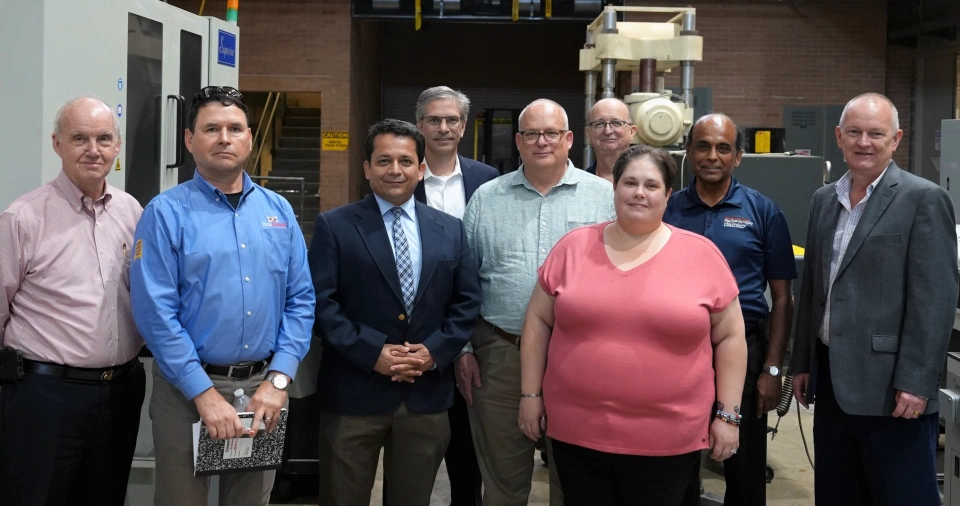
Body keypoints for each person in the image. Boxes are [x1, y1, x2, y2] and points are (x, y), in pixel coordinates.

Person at [518, 144, 748, 506]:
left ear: (669, 194)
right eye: (630, 182)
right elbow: (537, 320)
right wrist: (530, 395)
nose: (639, 192)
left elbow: (732, 337)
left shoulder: (701, 255)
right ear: (614, 188)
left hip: (669, 439)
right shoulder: (572, 248)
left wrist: (728, 415)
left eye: (652, 185)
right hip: (578, 434)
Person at [130, 86, 316, 506]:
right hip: (186, 390)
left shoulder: (278, 211)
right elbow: (155, 313)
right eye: (211, 128)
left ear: (250, 137)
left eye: (235, 128)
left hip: (262, 391)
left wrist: (278, 379)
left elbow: (301, 299)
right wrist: (203, 394)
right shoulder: (164, 213)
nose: (224, 138)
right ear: (189, 140)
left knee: (251, 501)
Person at [791, 93, 957, 505]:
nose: (864, 142)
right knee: (837, 493)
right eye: (854, 132)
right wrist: (802, 363)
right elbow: (812, 287)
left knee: (901, 496)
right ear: (839, 137)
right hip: (830, 380)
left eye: (876, 133)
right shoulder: (824, 200)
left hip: (893, 390)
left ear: (896, 139)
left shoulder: (923, 199)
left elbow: (933, 301)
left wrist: (917, 383)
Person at [310, 119, 481, 506]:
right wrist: (374, 353)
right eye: (384, 160)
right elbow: (321, 305)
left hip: (425, 396)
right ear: (367, 168)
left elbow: (466, 301)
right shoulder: (335, 226)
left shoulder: (451, 229)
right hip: (353, 395)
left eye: (406, 161)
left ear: (421, 169)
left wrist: (434, 352)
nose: (395, 170)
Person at [461, 98, 614, 506]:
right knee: (503, 481)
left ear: (568, 139)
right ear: (518, 140)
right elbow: (462, 283)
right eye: (531, 133)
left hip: (579, 360)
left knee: (576, 480)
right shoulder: (486, 199)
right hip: (500, 355)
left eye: (550, 133)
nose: (541, 141)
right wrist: (462, 349)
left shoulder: (605, 199)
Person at [0, 96, 145, 505]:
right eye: (79, 138)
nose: (93, 150)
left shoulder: (132, 211)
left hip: (120, 391)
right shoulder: (24, 217)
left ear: (117, 146)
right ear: (57, 144)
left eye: (103, 138)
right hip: (43, 396)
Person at [664, 113, 796, 505]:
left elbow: (784, 299)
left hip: (746, 351)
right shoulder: (667, 211)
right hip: (679, 353)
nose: (712, 156)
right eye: (702, 146)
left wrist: (773, 369)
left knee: (744, 464)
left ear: (738, 156)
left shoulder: (763, 212)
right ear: (688, 152)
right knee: (677, 464)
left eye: (723, 147)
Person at [414, 86, 498, 506]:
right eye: (434, 120)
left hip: (474, 328)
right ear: (419, 125)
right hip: (416, 332)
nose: (443, 128)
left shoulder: (488, 181)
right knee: (414, 456)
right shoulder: (400, 175)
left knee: (468, 455)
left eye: (451, 120)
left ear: (463, 127)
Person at [584, 98, 637, 182]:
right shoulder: (579, 185)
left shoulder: (652, 178)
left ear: (632, 132)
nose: (608, 131)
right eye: (599, 124)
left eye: (616, 123)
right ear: (588, 133)